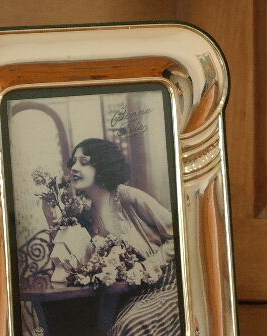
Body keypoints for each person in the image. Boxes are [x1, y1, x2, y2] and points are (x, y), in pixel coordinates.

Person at [48, 137, 182, 336]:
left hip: (166, 284)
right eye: (73, 162)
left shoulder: (129, 197)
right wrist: (49, 211)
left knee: (134, 325)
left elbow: (178, 234)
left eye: (84, 162)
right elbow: (70, 255)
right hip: (128, 291)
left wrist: (150, 265)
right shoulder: (85, 212)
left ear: (103, 165)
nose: (74, 168)